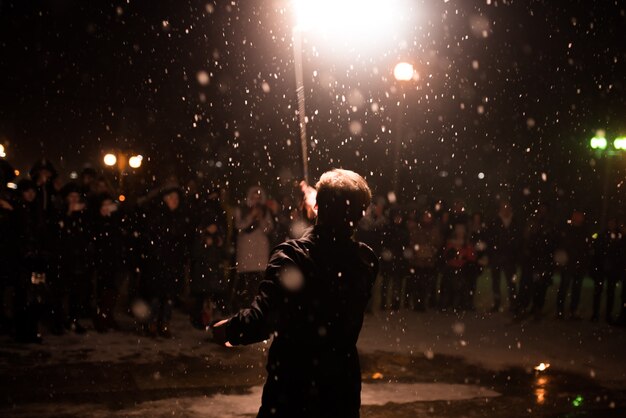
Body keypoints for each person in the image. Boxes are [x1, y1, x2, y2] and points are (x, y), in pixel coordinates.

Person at [212, 169, 378, 418]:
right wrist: (323, 209)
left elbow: (264, 319)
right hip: (340, 392)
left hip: (293, 391)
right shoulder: (366, 260)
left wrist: (227, 330)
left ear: (319, 206)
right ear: (361, 214)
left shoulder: (292, 255)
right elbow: (334, 250)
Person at [232, 186, 274, 310]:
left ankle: (257, 309)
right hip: (246, 253)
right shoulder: (241, 209)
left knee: (258, 285)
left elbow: (268, 229)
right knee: (245, 285)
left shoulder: (265, 211)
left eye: (259, 197)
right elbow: (239, 227)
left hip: (260, 254)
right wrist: (251, 216)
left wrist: (260, 217)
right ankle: (242, 308)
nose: (256, 200)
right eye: (254, 196)